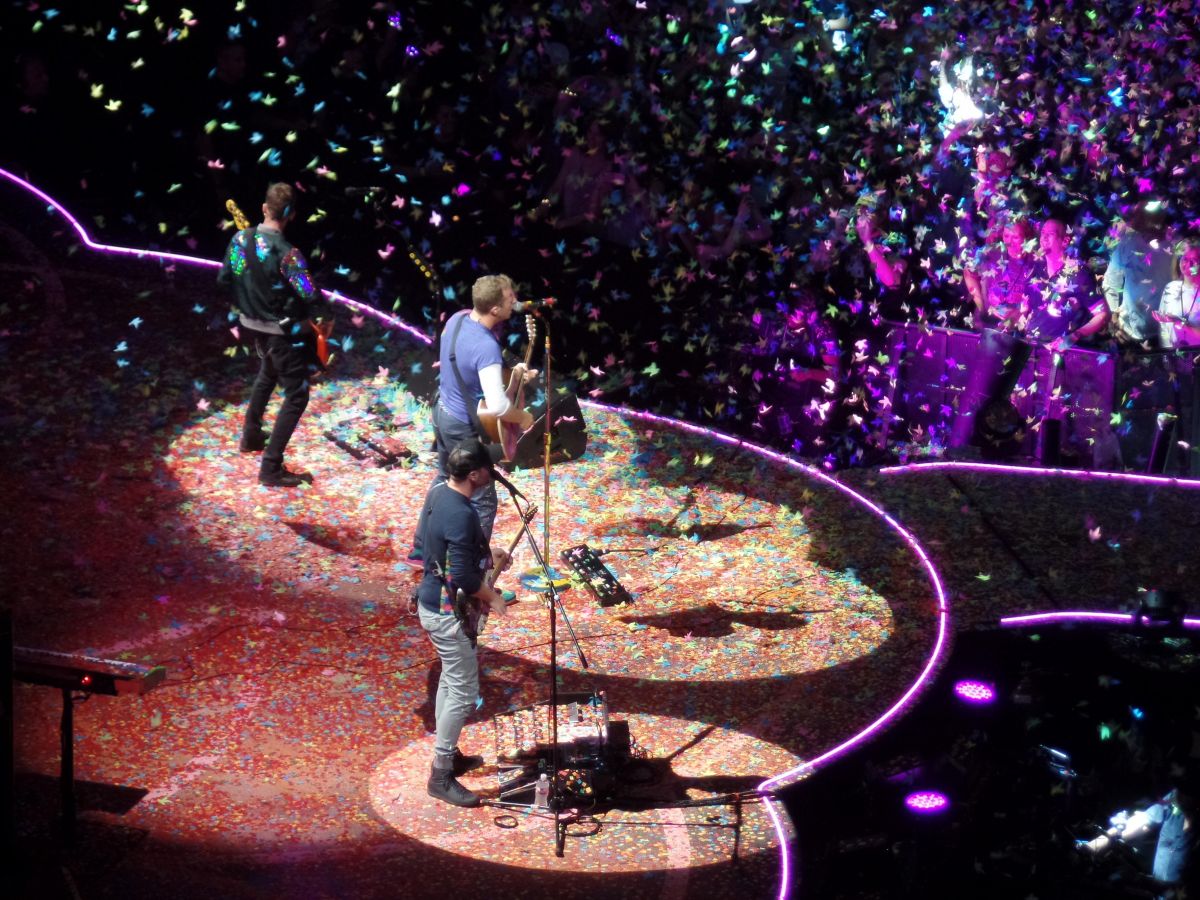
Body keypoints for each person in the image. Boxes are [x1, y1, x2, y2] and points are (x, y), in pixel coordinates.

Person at [410, 275, 535, 559]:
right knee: (482, 499)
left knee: (445, 478)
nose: (515, 302)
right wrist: (523, 417)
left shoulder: (458, 319)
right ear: (495, 309)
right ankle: (471, 567)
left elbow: (469, 372)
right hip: (461, 428)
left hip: (442, 412)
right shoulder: (486, 346)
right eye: (510, 299)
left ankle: (421, 547)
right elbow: (498, 406)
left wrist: (512, 375)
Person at [418, 439, 511, 808]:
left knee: (450, 681)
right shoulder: (462, 513)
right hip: (448, 615)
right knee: (462, 691)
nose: (493, 472)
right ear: (474, 474)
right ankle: (440, 774)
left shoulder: (439, 492)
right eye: (488, 467)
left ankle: (449, 754)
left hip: (431, 604)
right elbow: (463, 578)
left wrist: (488, 556)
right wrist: (494, 598)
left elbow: (435, 547)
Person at [218, 181, 331, 487]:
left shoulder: (240, 240)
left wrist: (250, 302)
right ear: (291, 215)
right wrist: (324, 319)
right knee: (297, 395)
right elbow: (308, 293)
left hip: (251, 323)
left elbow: (226, 278)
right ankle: (271, 466)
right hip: (280, 329)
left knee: (268, 372)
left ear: (264, 208)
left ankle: (252, 434)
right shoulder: (287, 253)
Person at [1024, 217, 1110, 346]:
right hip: (1030, 343)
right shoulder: (1037, 268)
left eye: (1050, 234)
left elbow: (1102, 314)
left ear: (1064, 241)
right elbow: (1030, 307)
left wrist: (1075, 336)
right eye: (1043, 233)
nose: (1044, 238)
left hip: (1057, 350)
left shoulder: (1078, 274)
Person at [1103, 203, 1174, 347]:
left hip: (1165, 332)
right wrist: (1114, 316)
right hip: (1130, 331)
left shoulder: (1172, 249)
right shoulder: (1126, 245)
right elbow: (1111, 282)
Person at [1152, 245, 1200, 349]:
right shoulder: (1170, 287)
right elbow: (1163, 326)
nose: (1189, 263)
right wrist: (1166, 352)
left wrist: (1181, 323)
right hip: (1173, 352)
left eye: (1194, 259)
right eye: (1185, 258)